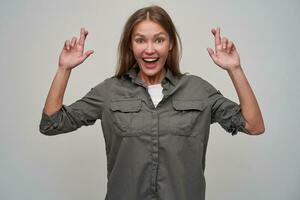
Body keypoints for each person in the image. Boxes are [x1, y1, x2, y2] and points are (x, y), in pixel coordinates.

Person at [39, 5, 265, 200]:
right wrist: (63, 69)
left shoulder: (198, 90)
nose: (149, 49)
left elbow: (253, 126)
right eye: (140, 40)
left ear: (170, 44)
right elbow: (51, 124)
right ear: (130, 45)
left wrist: (234, 69)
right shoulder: (109, 92)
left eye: (158, 39)